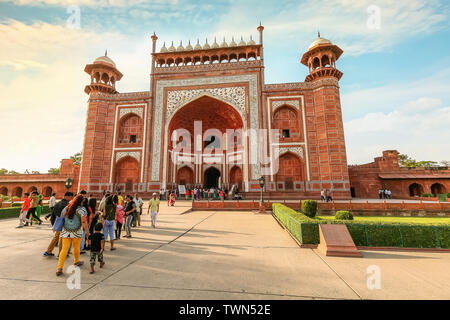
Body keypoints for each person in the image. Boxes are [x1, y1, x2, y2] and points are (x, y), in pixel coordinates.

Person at [56, 195, 90, 276]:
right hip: (77, 232)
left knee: (64, 249)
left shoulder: (67, 207)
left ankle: (59, 268)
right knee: (76, 247)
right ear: (82, 202)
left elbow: (62, 218)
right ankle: (76, 261)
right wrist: (88, 232)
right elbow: (84, 222)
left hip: (66, 232)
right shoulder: (82, 210)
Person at [44, 192, 74, 257]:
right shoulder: (66, 204)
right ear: (67, 196)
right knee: (62, 238)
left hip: (56, 222)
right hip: (62, 222)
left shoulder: (58, 203)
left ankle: (48, 251)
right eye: (71, 197)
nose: (72, 198)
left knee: (56, 237)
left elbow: (53, 213)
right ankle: (61, 253)